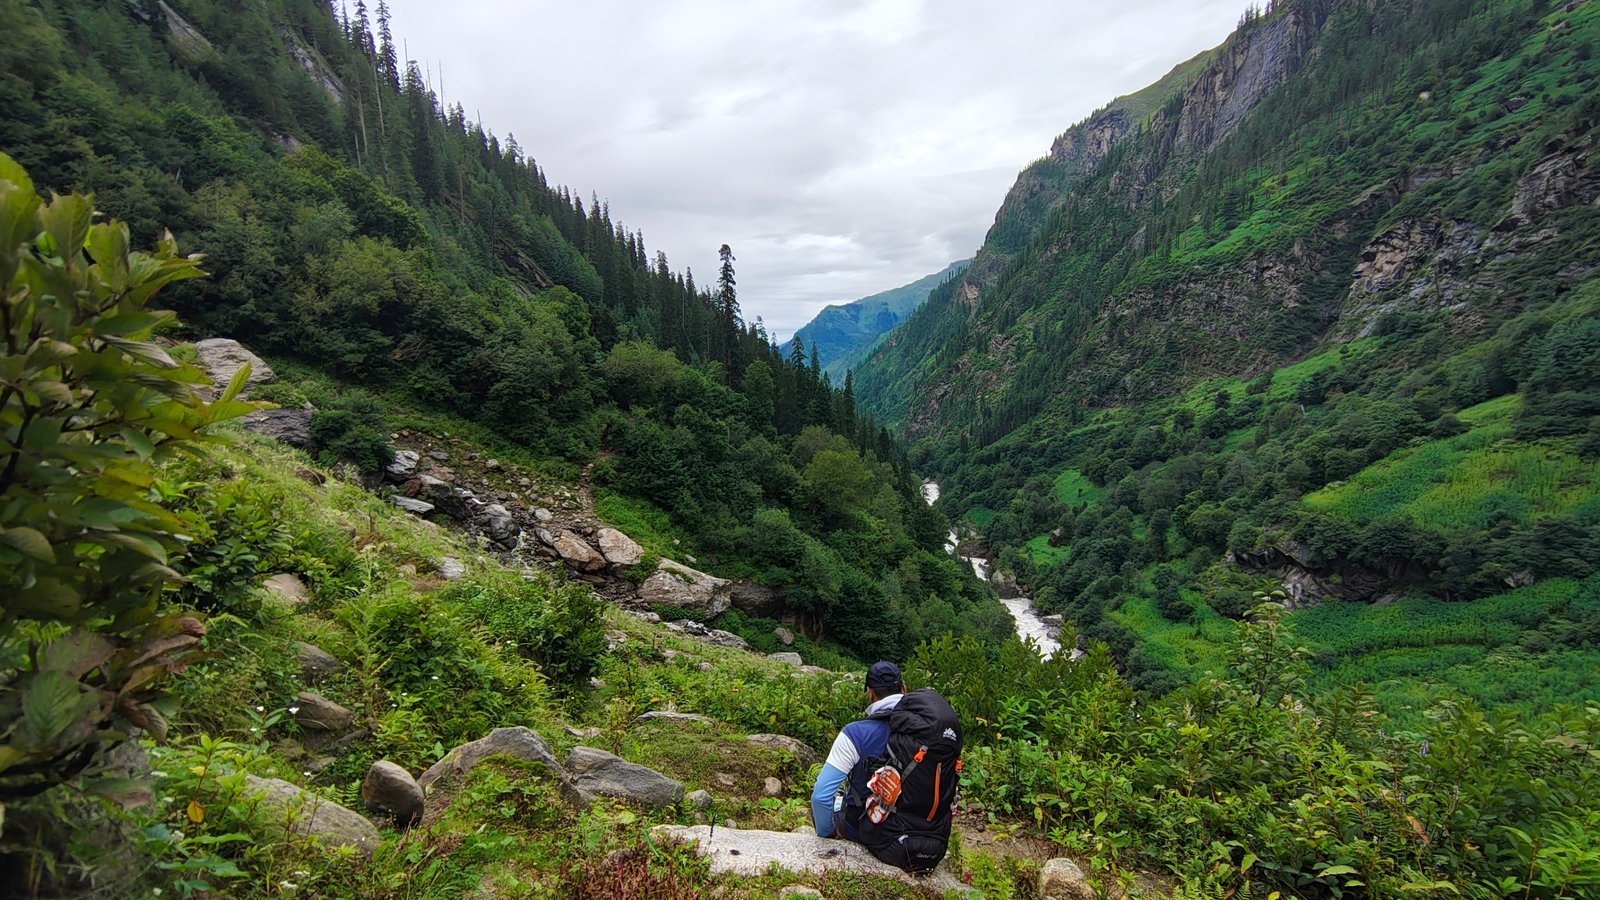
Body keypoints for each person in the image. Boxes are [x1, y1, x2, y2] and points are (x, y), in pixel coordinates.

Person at [810, 660, 905, 842]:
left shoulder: (855, 733)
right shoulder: (926, 729)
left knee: (836, 803)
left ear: (869, 693)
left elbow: (821, 797)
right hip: (916, 829)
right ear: (903, 689)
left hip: (865, 830)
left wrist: (828, 835)